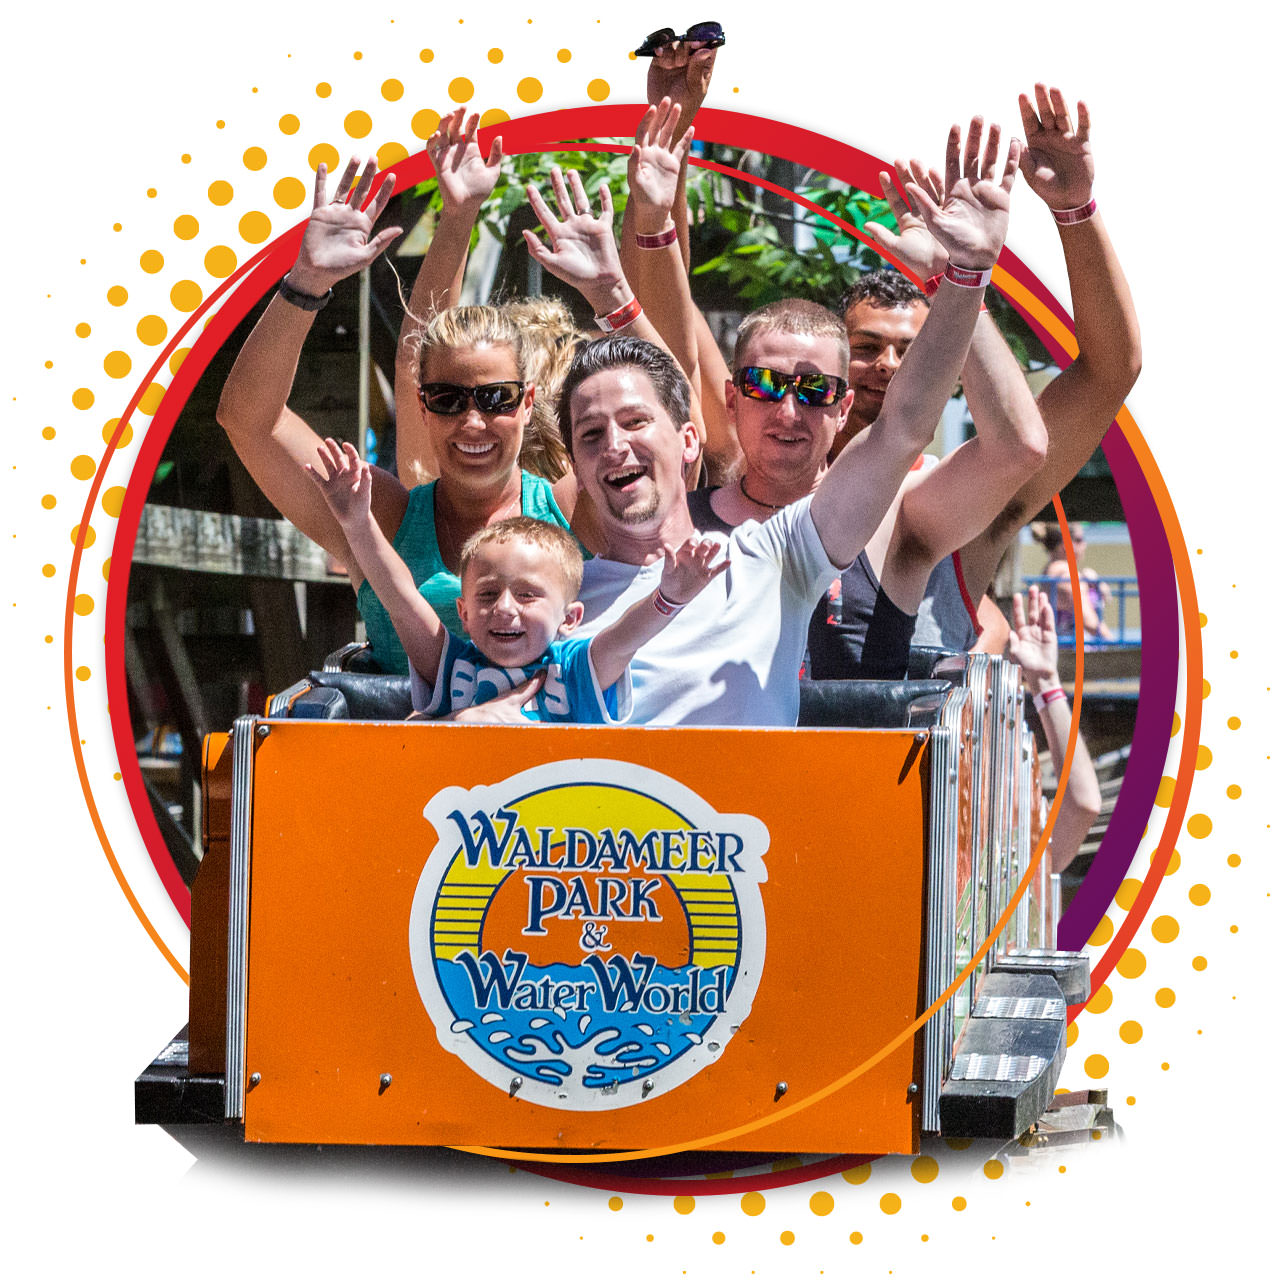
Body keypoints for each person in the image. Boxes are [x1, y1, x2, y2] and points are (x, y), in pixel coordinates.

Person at [541, 117, 1018, 726]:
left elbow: (904, 428)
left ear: (689, 439)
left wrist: (965, 276)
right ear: (573, 462)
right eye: (591, 435)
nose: (616, 447)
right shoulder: (555, 595)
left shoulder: (773, 554)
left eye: (636, 425)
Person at [664, 123, 1048, 682]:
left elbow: (1018, 448)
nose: (788, 411)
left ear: (843, 407)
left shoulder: (899, 514)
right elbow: (673, 338)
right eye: (765, 386)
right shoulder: (676, 513)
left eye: (815, 391)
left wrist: (960, 277)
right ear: (732, 398)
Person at [216, 156, 583, 677]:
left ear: (527, 402)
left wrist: (620, 278)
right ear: (421, 405)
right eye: (448, 400)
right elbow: (248, 420)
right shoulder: (380, 514)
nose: (473, 421)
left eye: (496, 398)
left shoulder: (570, 505)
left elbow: (677, 428)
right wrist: (307, 281)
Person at [821, 84, 1140, 667]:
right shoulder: (770, 480)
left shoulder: (963, 494)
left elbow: (1110, 373)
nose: (888, 365)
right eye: (865, 347)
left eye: (913, 352)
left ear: (950, 370)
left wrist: (1073, 209)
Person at [305, 437, 726, 721]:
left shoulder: (577, 669)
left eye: (527, 595)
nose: (504, 608)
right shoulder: (453, 667)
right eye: (487, 594)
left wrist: (670, 597)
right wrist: (357, 522)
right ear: (464, 614)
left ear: (571, 617)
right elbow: (398, 594)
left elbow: (626, 635)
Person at [1005, 585, 1102, 878]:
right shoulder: (1009, 858)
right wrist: (1045, 683)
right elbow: (1083, 805)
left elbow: (1083, 804)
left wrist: (1045, 681)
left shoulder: (1006, 854)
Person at [1037, 521, 1114, 641]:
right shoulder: (1065, 576)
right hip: (1073, 652)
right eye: (1079, 540)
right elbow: (1090, 622)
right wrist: (1114, 644)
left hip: (1065, 650)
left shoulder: (1052, 571)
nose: (1085, 544)